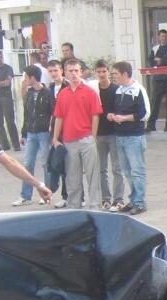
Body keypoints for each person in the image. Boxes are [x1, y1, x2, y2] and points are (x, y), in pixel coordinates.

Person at [53, 58, 102, 210]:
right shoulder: (63, 94)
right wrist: (55, 138)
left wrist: (92, 137)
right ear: (65, 73)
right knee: (72, 177)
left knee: (92, 175)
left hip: (86, 138)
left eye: (76, 71)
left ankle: (95, 205)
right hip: (69, 140)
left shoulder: (89, 92)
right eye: (71, 71)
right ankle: (74, 206)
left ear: (81, 72)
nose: (74, 74)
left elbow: (95, 115)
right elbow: (59, 117)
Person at [109, 61, 150, 214]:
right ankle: (133, 199)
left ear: (125, 74)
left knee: (137, 170)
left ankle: (140, 201)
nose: (114, 77)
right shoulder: (119, 90)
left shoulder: (138, 90)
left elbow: (145, 114)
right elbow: (115, 109)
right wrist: (112, 115)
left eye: (116, 74)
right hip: (120, 135)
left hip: (134, 135)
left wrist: (124, 118)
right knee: (127, 170)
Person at [13, 66, 54, 207]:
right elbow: (27, 114)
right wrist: (23, 133)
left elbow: (53, 113)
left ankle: (46, 193)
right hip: (31, 132)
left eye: (26, 77)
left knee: (45, 163)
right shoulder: (30, 93)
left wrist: (52, 131)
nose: (25, 80)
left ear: (32, 77)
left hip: (43, 132)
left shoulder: (47, 92)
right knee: (27, 164)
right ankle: (25, 195)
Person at [95, 60, 124, 210]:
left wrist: (114, 115)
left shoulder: (116, 89)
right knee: (101, 169)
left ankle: (118, 199)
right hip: (99, 134)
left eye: (104, 71)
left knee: (117, 168)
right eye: (99, 72)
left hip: (114, 133)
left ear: (108, 72)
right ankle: (105, 198)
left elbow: (121, 109)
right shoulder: (94, 90)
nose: (101, 74)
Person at [0, 49, 21, 152]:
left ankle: (16, 144)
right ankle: (4, 145)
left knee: (10, 121)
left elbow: (7, 83)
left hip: (6, 97)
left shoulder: (8, 68)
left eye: (0, 57)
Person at [46, 59, 69, 207]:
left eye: (56, 70)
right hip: (55, 130)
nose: (54, 74)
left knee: (69, 165)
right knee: (58, 164)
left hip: (68, 129)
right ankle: (64, 195)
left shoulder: (68, 86)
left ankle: (72, 195)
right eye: (51, 71)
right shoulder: (50, 88)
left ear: (61, 70)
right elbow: (51, 111)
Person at [147, 29, 167, 132]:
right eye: (161, 36)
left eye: (165, 36)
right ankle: (151, 125)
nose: (163, 38)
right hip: (157, 78)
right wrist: (162, 61)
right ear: (158, 37)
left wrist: (160, 60)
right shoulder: (154, 49)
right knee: (155, 102)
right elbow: (151, 62)